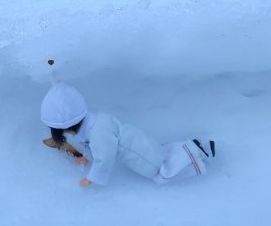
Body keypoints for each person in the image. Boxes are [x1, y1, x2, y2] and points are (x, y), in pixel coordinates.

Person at [40, 80, 216, 188]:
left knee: (163, 173)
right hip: (138, 140)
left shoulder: (98, 134)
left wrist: (91, 178)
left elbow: (104, 158)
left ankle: (196, 153)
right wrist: (86, 157)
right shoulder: (96, 120)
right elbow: (92, 145)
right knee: (164, 153)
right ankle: (194, 145)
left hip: (136, 153)